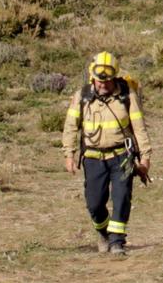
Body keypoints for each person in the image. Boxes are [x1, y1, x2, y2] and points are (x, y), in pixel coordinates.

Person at [62, 50, 150, 254]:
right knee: (94, 204)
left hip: (122, 157)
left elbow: (139, 128)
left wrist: (145, 158)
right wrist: (69, 154)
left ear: (115, 77)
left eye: (107, 81)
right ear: (92, 77)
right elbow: (71, 126)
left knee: (122, 197)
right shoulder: (82, 96)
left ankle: (117, 242)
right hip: (93, 158)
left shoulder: (127, 96)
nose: (103, 85)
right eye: (99, 81)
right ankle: (103, 233)